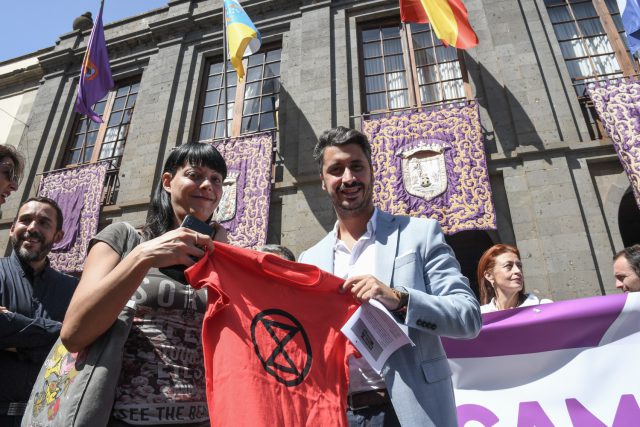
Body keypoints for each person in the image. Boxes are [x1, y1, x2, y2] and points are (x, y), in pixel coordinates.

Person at [298, 126, 482, 427]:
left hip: (411, 411)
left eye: (356, 166)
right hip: (339, 415)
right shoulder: (310, 260)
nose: (348, 178)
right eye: (336, 169)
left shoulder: (420, 234)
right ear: (323, 181)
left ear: (371, 172)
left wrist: (399, 300)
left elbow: (468, 318)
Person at [61, 143, 228, 426]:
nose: (207, 185)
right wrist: (143, 256)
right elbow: (74, 334)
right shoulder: (124, 239)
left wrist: (225, 259)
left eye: (216, 179)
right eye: (194, 174)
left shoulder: (222, 257)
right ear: (167, 181)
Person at [0, 197, 78, 426]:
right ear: (13, 228)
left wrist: (13, 326)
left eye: (44, 223)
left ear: (58, 236)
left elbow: (81, 347)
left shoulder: (72, 289)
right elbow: (72, 339)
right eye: (25, 220)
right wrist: (64, 333)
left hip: (47, 419)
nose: (32, 228)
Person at [477, 244, 552, 313]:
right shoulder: (481, 316)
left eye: (519, 266)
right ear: (489, 275)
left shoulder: (544, 308)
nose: (518, 271)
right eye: (508, 266)